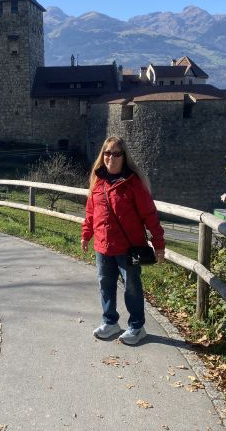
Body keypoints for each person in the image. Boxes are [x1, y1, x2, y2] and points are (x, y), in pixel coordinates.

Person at [81, 136, 165, 345]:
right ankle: (110, 323)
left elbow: (150, 215)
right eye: (107, 153)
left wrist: (159, 244)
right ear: (103, 155)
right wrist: (86, 235)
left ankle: (137, 327)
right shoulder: (97, 182)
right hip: (103, 246)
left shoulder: (133, 183)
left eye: (116, 153)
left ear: (124, 157)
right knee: (105, 284)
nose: (111, 157)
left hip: (129, 248)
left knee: (132, 287)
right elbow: (91, 213)